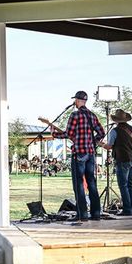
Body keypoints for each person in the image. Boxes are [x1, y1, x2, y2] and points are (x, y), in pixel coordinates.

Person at [41, 90, 105, 221]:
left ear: (77, 100)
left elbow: (68, 134)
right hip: (91, 153)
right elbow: (101, 132)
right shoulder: (93, 116)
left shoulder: (74, 115)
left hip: (79, 153)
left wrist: (53, 133)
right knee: (92, 183)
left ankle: (83, 214)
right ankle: (96, 213)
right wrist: (93, 141)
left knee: (79, 184)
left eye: (75, 100)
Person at [99, 109, 132, 217]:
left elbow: (109, 146)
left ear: (116, 120)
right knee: (130, 185)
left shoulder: (115, 131)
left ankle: (127, 209)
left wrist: (101, 144)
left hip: (123, 160)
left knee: (123, 185)